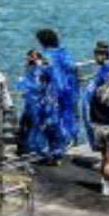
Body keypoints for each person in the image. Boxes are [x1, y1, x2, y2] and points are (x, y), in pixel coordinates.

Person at [28, 28, 80, 164]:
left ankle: (50, 153)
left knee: (46, 122)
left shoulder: (45, 56)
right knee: (61, 122)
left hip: (50, 94)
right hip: (66, 93)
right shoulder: (64, 53)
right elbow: (72, 69)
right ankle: (59, 150)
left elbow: (42, 74)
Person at [82, 41, 109, 152]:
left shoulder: (107, 68)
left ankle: (105, 156)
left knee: (100, 128)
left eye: (96, 55)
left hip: (102, 106)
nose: (95, 58)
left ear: (102, 55)